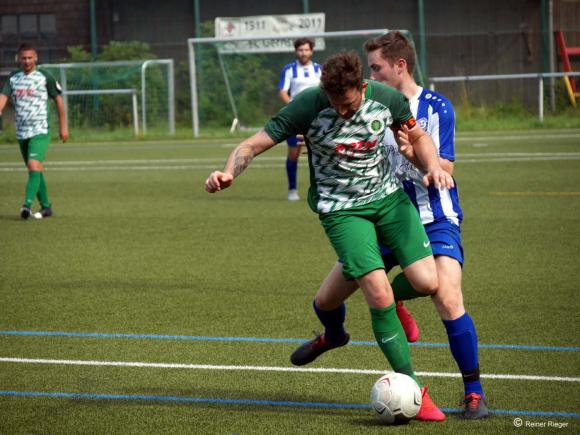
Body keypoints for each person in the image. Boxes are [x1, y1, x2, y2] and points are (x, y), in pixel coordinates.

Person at [206, 51, 454, 422]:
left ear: (362, 87)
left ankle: (341, 327)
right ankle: (415, 388)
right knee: (378, 291)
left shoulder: (387, 98)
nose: (342, 112)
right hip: (342, 211)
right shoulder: (307, 105)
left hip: (389, 201)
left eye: (349, 104)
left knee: (426, 281)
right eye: (335, 104)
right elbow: (251, 145)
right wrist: (228, 173)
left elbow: (417, 136)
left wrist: (432, 166)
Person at [292, 32, 488, 420]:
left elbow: (443, 169)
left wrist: (410, 152)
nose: (371, 76)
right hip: (376, 215)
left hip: (432, 216)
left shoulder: (435, 108)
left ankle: (474, 393)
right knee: (327, 301)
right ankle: (333, 333)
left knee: (445, 295)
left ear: (400, 66)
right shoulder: (366, 104)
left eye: (377, 68)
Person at [0, 43, 68, 219]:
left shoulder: (44, 76)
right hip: (22, 132)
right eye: (23, 58)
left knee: (33, 165)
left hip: (40, 130)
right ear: (18, 59)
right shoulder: (14, 78)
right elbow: (3, 97)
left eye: (30, 57)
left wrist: (63, 126)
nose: (27, 61)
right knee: (35, 169)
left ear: (36, 58)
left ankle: (26, 205)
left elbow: (58, 100)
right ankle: (46, 207)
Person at [278, 38, 321, 201]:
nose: (303, 53)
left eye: (306, 49)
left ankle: (320, 190)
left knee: (319, 153)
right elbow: (282, 91)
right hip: (296, 118)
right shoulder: (289, 69)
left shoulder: (319, 69)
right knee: (293, 154)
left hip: (316, 118)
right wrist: (295, 107)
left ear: (312, 51)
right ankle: (292, 189)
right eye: (300, 50)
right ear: (296, 51)